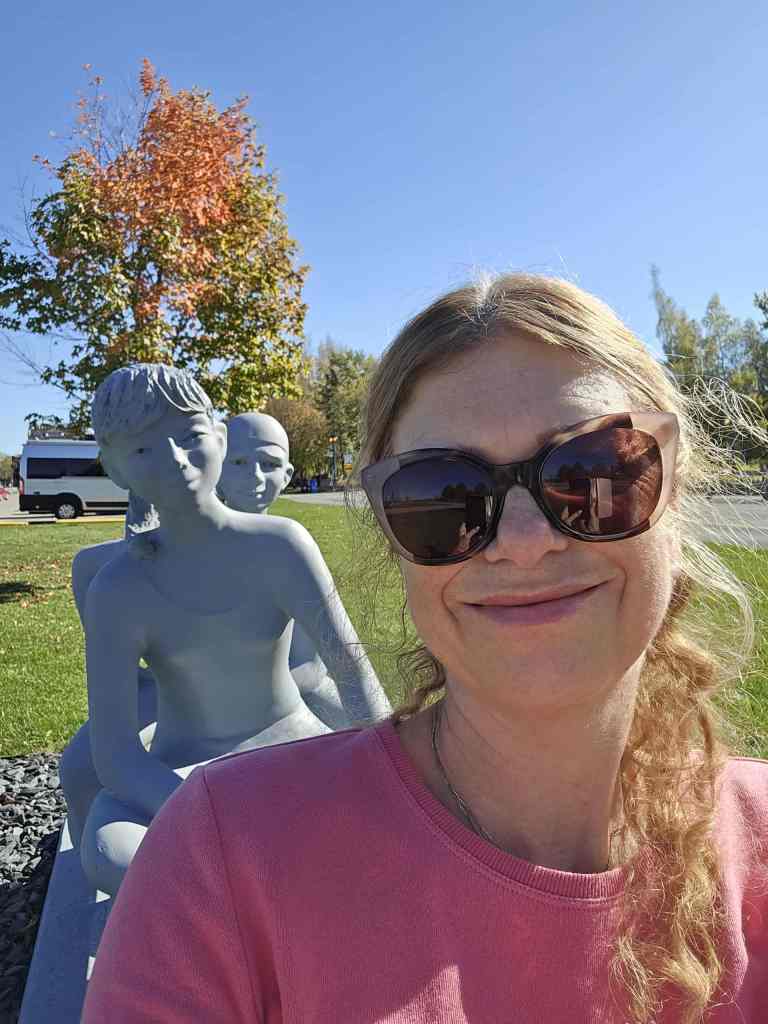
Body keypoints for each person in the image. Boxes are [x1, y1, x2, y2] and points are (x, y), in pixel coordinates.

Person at [82, 276, 768, 1023]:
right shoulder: (218, 858)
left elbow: (345, 671)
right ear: (395, 541)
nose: (525, 542)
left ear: (674, 494)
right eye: (444, 496)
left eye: (593, 472)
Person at [76, 364, 390, 898]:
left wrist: (392, 773)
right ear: (115, 468)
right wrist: (210, 814)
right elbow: (116, 753)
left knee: (363, 833)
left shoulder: (280, 545)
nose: (175, 459)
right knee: (112, 851)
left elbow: (352, 672)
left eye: (189, 436)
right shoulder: (118, 588)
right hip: (181, 771)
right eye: (144, 449)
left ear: (219, 438)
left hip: (292, 747)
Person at [60, 414, 349, 850]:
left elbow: (322, 667)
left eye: (269, 464)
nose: (254, 478)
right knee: (82, 771)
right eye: (239, 463)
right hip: (175, 704)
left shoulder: (288, 547)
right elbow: (120, 715)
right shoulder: (113, 574)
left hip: (277, 704)